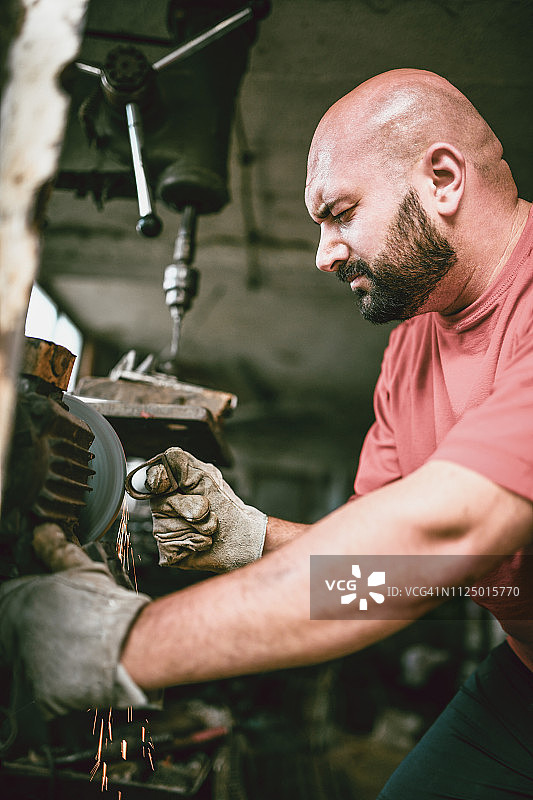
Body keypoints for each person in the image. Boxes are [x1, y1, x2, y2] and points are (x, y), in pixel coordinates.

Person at [1, 68, 532, 797]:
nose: (323, 254)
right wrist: (251, 535)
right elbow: (382, 576)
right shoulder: (410, 349)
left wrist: (117, 644)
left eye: (339, 213)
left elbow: (444, 533)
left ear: (442, 178)